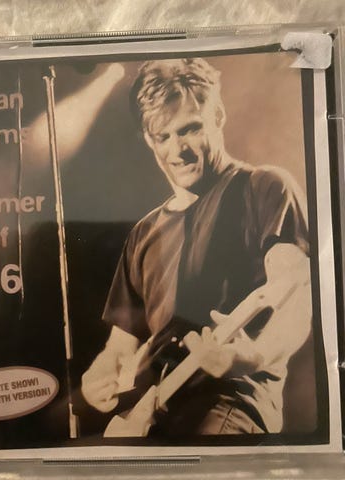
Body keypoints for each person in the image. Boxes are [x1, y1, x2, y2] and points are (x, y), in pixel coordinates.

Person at [80, 57, 313, 437]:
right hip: (151, 416)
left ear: (217, 116)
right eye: (163, 136)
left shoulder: (266, 187)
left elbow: (296, 302)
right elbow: (120, 348)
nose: (178, 150)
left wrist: (249, 356)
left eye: (190, 129)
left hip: (230, 401)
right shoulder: (143, 233)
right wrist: (99, 375)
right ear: (148, 139)